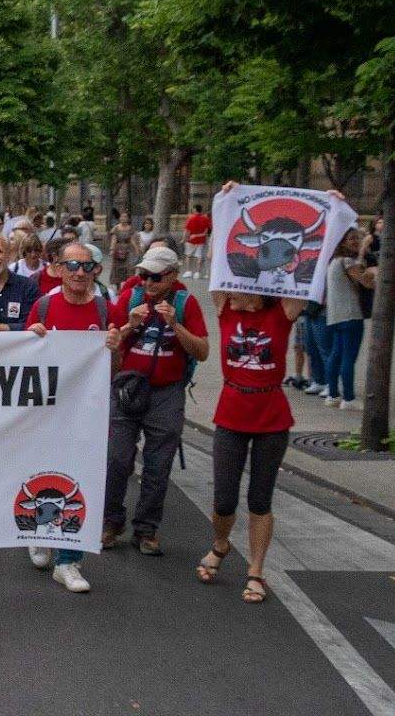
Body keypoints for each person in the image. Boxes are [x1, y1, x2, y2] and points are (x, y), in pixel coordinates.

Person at [23, 242, 121, 592]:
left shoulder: (106, 310)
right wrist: (31, 340)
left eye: (87, 266)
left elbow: (118, 367)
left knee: (83, 478)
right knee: (44, 472)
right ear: (59, 269)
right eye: (72, 265)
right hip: (48, 411)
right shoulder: (44, 306)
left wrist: (115, 348)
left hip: (89, 413)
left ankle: (69, 561)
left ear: (96, 270)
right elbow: (23, 364)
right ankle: (39, 531)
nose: (79, 272)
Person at [200, 284, 304, 606]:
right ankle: (220, 543)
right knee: (224, 499)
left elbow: (304, 275)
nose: (229, 296)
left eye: (235, 292)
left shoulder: (282, 312)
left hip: (271, 418)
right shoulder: (225, 309)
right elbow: (219, 268)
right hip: (231, 415)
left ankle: (256, 570)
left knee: (260, 498)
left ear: (255, 291)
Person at [104, 246, 209, 554]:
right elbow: (108, 344)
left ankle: (146, 529)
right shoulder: (130, 298)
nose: (147, 282)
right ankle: (111, 522)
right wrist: (129, 326)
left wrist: (176, 326)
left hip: (167, 391)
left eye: (155, 277)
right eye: (143, 275)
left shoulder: (185, 303)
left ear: (173, 276)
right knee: (117, 458)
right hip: (128, 388)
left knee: (158, 464)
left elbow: (202, 351)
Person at [323, 228, 376, 410]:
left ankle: (332, 395)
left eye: (358, 238)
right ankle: (349, 398)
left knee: (336, 355)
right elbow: (365, 281)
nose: (356, 241)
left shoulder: (334, 262)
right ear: (342, 242)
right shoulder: (345, 261)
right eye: (352, 238)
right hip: (351, 315)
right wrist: (375, 272)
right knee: (348, 357)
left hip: (336, 316)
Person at [108, 214, 139, 289]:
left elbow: (132, 240)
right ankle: (118, 287)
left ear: (128, 219)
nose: (123, 218)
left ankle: (127, 287)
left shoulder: (130, 228)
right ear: (119, 218)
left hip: (128, 250)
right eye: (122, 217)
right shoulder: (116, 228)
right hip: (118, 250)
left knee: (128, 268)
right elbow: (114, 240)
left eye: (125, 217)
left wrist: (136, 249)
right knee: (117, 268)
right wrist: (112, 249)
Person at [183, 205, 211, 278]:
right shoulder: (205, 219)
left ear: (195, 209)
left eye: (193, 209)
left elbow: (187, 230)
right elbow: (206, 232)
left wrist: (184, 239)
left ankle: (188, 271)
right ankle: (197, 273)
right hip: (201, 240)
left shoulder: (190, 218)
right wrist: (197, 235)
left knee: (188, 255)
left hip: (190, 240)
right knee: (199, 256)